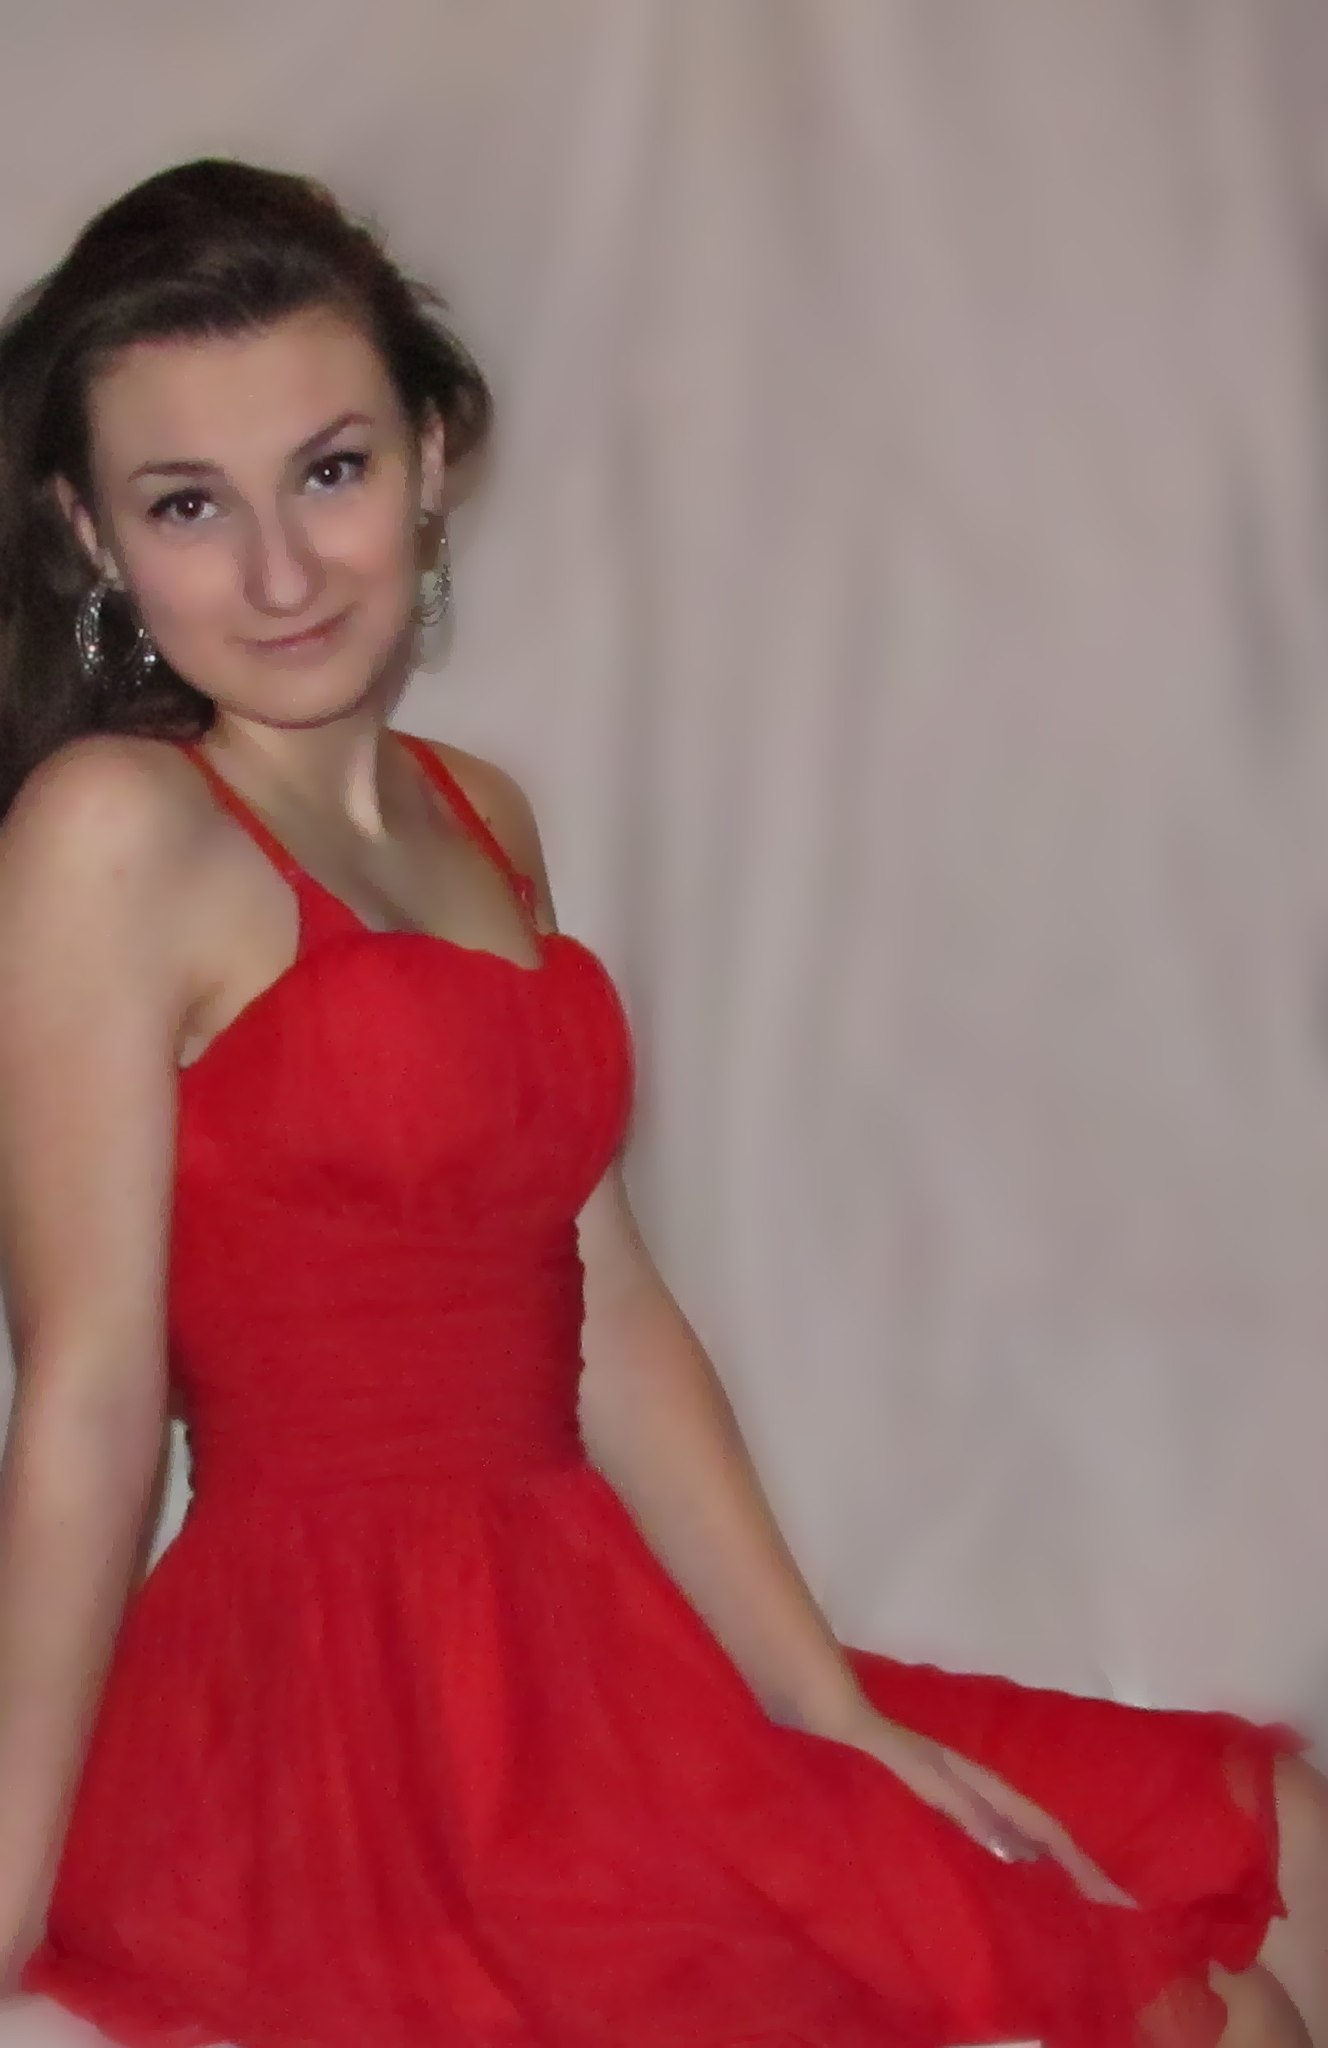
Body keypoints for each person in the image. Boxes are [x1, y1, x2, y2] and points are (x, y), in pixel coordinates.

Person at [0, 157, 1324, 2048]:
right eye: (190, 503)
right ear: (91, 531)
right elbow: (87, 1394)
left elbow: (604, 1307)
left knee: (1280, 1840)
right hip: (360, 1710)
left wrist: (822, 1704)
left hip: (600, 1641)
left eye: (331, 470)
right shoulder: (114, 831)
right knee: (1193, 2010)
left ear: (432, 457)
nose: (280, 573)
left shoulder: (482, 816)